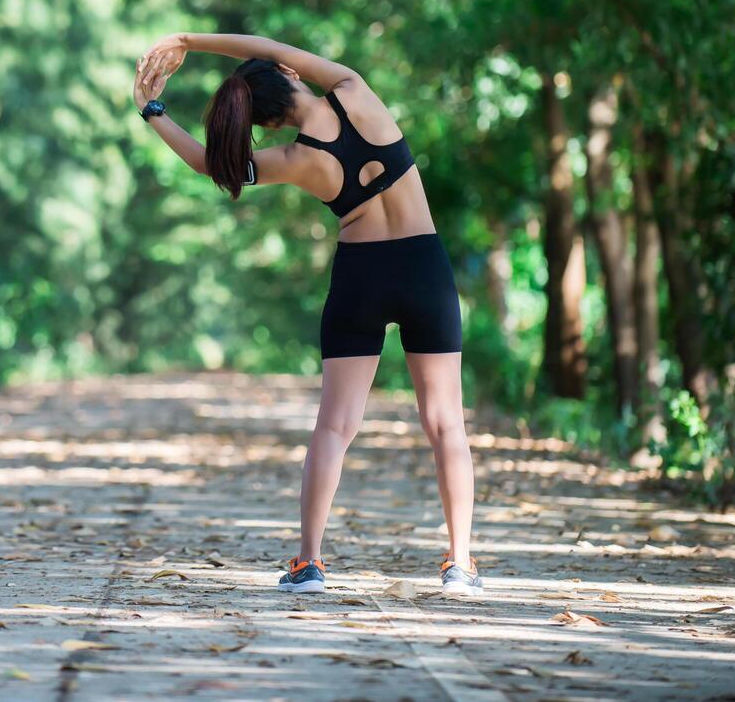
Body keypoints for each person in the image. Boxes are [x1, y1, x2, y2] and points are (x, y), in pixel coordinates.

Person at [133, 32, 481, 598]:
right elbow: (266, 44)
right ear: (291, 76)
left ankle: (311, 563)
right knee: (446, 423)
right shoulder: (352, 88)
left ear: (267, 124)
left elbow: (209, 164)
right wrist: (189, 41)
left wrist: (152, 110)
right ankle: (460, 564)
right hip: (424, 269)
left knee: (335, 426)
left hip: (361, 277)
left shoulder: (297, 159)